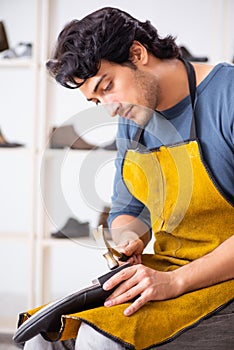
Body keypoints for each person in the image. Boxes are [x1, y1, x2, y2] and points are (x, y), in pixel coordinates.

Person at [24, 7, 234, 350]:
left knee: (99, 341)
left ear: (138, 53)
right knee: (45, 337)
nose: (110, 107)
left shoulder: (228, 96)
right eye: (96, 100)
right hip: (171, 272)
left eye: (107, 86)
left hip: (224, 280)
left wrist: (176, 282)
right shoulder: (133, 118)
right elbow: (129, 210)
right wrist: (129, 240)